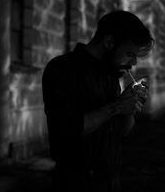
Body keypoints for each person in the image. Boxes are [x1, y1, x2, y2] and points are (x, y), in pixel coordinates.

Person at [42, 10, 154, 191]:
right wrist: (116, 107)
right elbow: (67, 130)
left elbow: (120, 134)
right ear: (109, 42)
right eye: (130, 54)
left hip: (109, 181)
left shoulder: (110, 74)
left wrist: (130, 107)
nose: (133, 63)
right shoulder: (63, 69)